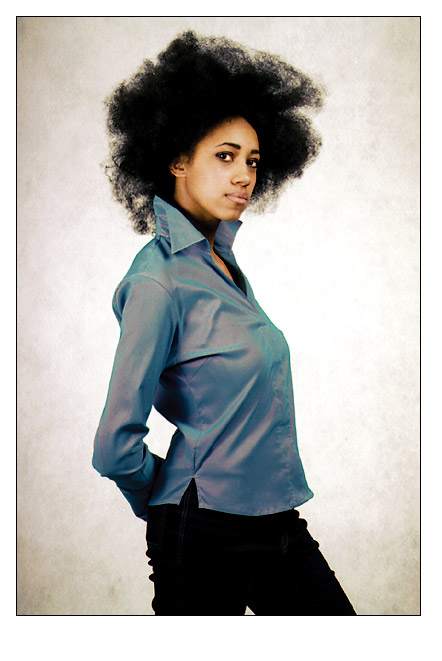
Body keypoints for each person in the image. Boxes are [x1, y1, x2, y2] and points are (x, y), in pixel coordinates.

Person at [93, 31, 356, 615]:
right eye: (225, 156)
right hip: (203, 532)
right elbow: (113, 447)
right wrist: (167, 501)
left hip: (276, 519)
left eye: (253, 161)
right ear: (177, 160)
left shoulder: (221, 263)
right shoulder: (158, 281)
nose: (244, 176)